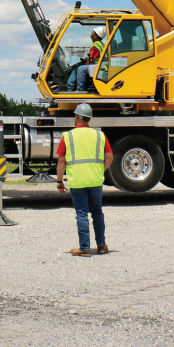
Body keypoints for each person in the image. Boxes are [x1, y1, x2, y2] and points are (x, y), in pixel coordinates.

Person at [56, 103, 114, 256]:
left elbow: (61, 162)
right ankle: (101, 246)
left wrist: (59, 181)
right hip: (95, 180)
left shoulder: (68, 136)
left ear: (77, 117)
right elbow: (109, 157)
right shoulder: (100, 135)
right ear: (88, 118)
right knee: (97, 212)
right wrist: (99, 170)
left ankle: (85, 248)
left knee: (82, 214)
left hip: (78, 181)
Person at [66, 27, 106, 92]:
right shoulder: (101, 44)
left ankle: (80, 90)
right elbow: (92, 57)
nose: (91, 33)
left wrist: (83, 64)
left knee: (80, 69)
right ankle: (71, 88)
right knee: (79, 69)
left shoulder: (96, 45)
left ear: (95, 36)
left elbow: (89, 60)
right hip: (101, 66)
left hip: (99, 67)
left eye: (93, 32)